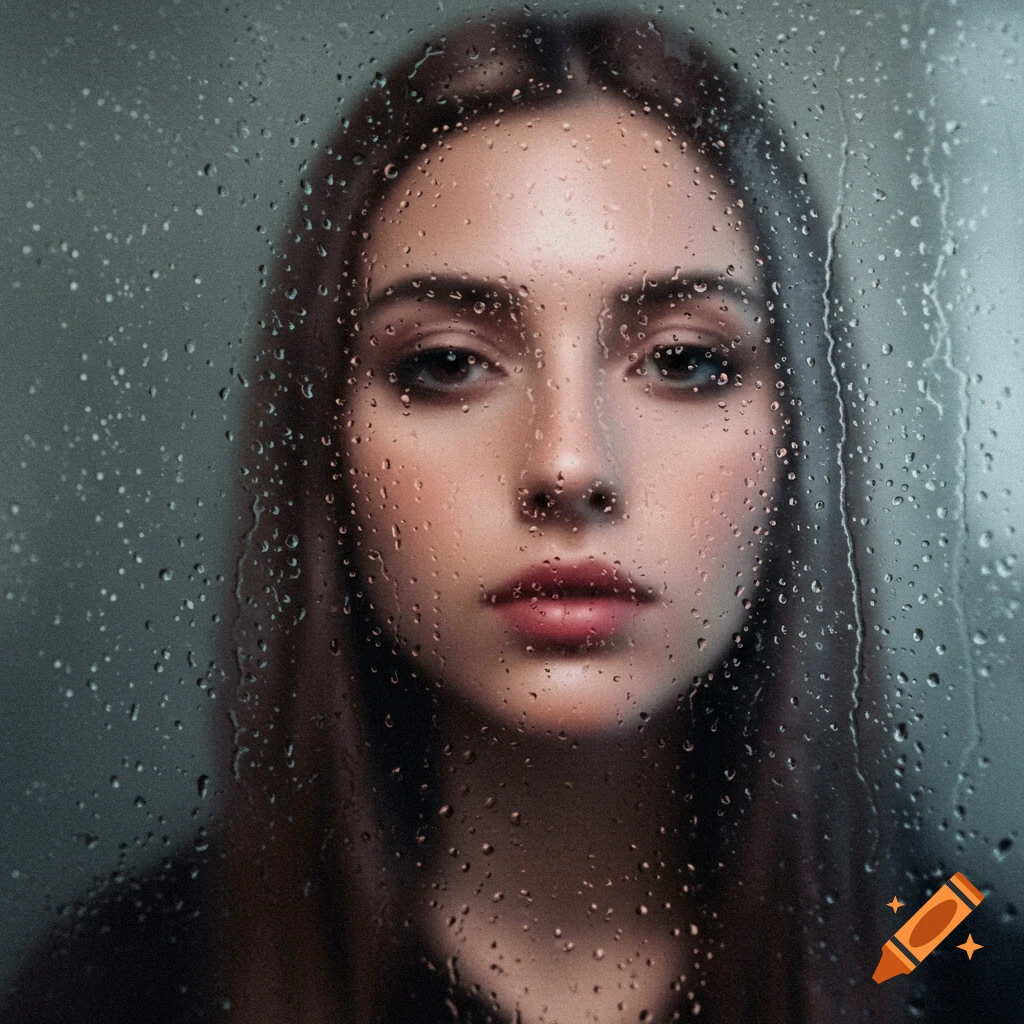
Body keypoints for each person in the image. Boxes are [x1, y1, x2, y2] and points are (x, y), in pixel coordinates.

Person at [10, 11, 1006, 1024]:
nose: (568, 464)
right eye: (445, 364)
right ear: (329, 448)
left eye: (684, 360)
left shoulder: (960, 970)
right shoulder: (123, 988)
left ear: (796, 435)